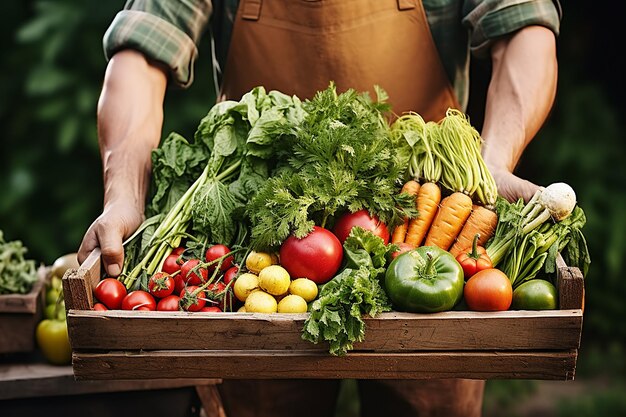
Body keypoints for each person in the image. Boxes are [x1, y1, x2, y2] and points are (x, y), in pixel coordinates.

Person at [78, 1, 562, 416]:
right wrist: (124, 195)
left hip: (426, 230)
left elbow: (526, 26)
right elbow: (143, 48)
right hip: (264, 245)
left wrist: (493, 162)